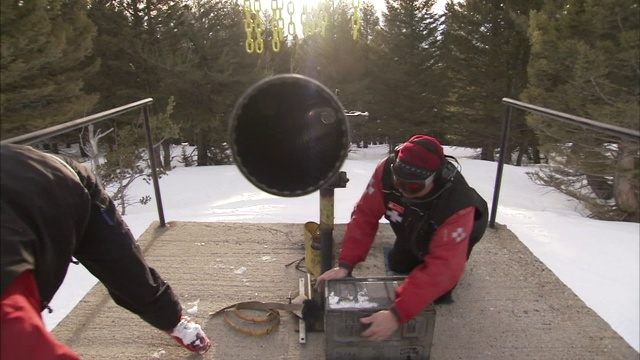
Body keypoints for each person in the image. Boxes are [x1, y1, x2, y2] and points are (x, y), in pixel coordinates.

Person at [0, 144, 211, 359]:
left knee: (125, 270)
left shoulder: (9, 319)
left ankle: (173, 322)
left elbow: (30, 348)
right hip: (20, 195)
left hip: (58, 179)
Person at [317, 134, 488, 342]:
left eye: (413, 187)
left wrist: (396, 314)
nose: (404, 192)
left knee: (439, 289)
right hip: (413, 221)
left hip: (461, 228)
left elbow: (444, 267)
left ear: (436, 178)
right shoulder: (385, 171)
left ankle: (457, 255)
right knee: (399, 263)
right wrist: (345, 265)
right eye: (399, 183)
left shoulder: (457, 205)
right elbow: (365, 215)